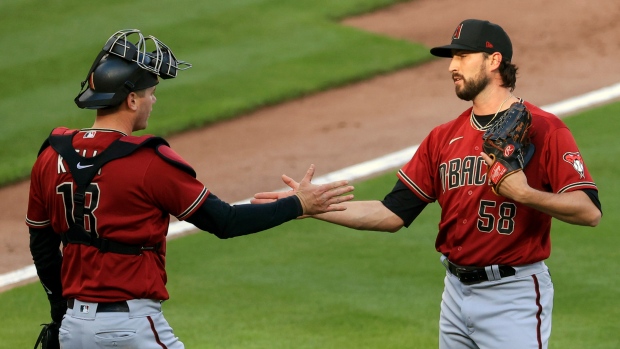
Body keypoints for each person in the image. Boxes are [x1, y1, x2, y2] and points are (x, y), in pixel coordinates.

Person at [252, 19, 602, 349]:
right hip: (454, 293)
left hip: (513, 295)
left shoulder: (545, 129)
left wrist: (524, 193)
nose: (452, 66)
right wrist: (306, 206)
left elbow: (589, 212)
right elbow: (391, 213)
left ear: (494, 60)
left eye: (463, 56)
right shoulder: (442, 137)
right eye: (452, 58)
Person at [26, 29, 354, 349]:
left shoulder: (50, 154)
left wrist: (61, 314)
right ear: (131, 99)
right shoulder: (149, 161)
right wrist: (299, 204)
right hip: (131, 329)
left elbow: (42, 245)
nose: (153, 100)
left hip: (74, 329)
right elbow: (225, 221)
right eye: (151, 93)